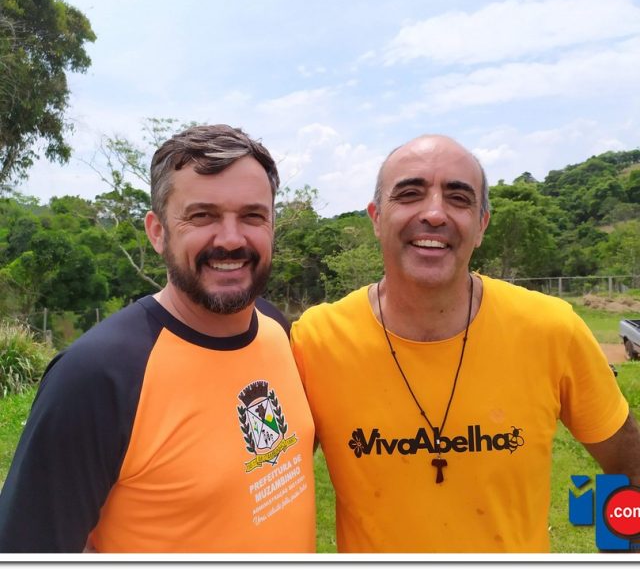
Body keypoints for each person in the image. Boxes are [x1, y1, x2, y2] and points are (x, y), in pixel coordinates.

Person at [290, 134, 640, 553]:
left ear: (481, 225)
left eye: (458, 198)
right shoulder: (316, 340)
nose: (435, 213)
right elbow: (270, 488)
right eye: (410, 194)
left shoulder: (551, 328)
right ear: (377, 218)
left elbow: (630, 467)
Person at [0, 125, 316, 553]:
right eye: (202, 216)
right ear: (157, 232)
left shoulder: (276, 327)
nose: (231, 239)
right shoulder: (97, 376)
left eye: (252, 216)